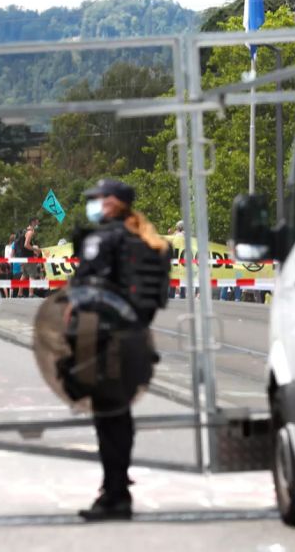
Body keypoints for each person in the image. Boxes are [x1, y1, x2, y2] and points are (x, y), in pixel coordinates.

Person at [72, 178, 170, 521]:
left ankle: (114, 494)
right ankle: (117, 487)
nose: (94, 204)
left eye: (97, 198)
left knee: (107, 417)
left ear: (113, 202)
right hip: (137, 339)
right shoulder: (149, 241)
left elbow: (86, 290)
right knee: (121, 414)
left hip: (106, 339)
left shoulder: (103, 239)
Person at [15, 217, 41, 298]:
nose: (38, 223)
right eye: (37, 222)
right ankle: (31, 294)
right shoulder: (30, 232)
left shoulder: (24, 231)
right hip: (28, 257)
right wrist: (35, 248)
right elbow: (26, 245)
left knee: (24, 275)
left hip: (22, 257)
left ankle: (19, 293)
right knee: (32, 275)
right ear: (33, 222)